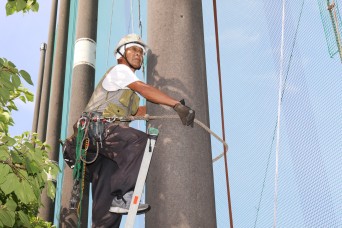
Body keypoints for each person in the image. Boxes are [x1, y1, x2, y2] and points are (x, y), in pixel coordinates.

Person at [67, 34, 195, 227]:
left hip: (101, 152)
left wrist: (167, 106)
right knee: (138, 141)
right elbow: (144, 89)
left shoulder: (128, 95)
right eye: (134, 50)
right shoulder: (120, 71)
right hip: (94, 133)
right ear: (121, 54)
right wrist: (175, 104)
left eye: (141, 52)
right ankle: (124, 194)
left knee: (108, 205)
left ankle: (116, 201)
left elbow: (141, 110)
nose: (138, 54)